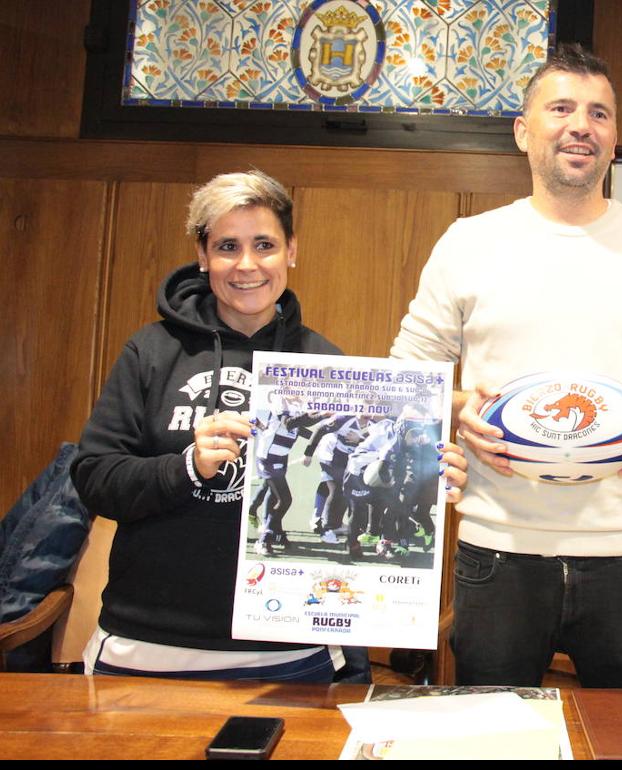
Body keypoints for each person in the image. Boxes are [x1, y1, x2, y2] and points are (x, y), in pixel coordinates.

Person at [391, 44, 622, 688]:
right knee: (490, 742)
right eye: (562, 108)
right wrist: (463, 411)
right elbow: (407, 381)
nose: (581, 125)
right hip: (497, 548)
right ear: (524, 131)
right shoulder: (469, 242)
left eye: (600, 114)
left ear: (614, 137)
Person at [71, 170, 467, 681]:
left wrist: (428, 476)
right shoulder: (151, 351)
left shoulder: (328, 365)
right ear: (203, 255)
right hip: (147, 645)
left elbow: (378, 447)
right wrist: (185, 467)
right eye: (227, 246)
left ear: (291, 251)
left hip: (289, 657)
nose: (247, 265)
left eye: (264, 244)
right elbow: (95, 479)